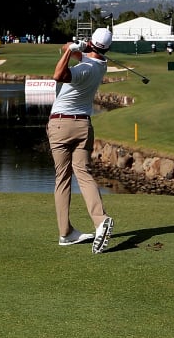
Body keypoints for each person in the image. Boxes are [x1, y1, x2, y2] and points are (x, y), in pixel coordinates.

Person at [47, 28, 114, 254]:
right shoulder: (101, 64)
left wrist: (71, 52)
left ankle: (66, 232)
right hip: (83, 125)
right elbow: (67, 46)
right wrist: (77, 46)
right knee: (83, 173)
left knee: (62, 179)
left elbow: (58, 75)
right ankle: (96, 221)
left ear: (92, 43)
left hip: (60, 125)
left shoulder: (84, 69)